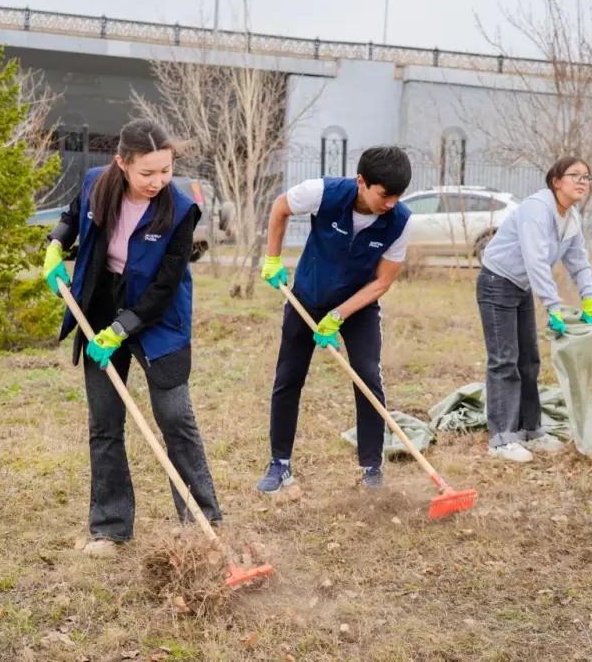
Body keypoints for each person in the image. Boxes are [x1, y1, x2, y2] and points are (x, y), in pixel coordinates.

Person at [42, 118, 222, 555]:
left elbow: (163, 288)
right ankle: (110, 527)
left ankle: (202, 522)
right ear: (121, 164)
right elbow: (71, 215)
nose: (158, 181)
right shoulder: (95, 183)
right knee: (104, 422)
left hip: (159, 316)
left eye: (166, 170)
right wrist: (55, 243)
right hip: (101, 301)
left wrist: (121, 331)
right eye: (147, 173)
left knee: (175, 417)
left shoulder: (180, 210)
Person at [255, 146, 414, 493]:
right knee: (288, 378)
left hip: (357, 307)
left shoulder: (400, 221)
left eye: (397, 196)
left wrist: (339, 315)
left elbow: (383, 282)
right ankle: (279, 463)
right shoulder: (323, 193)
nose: (390, 204)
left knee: (368, 378)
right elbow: (280, 207)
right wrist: (273, 258)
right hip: (307, 298)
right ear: (362, 182)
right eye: (384, 195)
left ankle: (372, 467)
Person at [476, 157, 592, 463]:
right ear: (556, 181)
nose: (582, 181)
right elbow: (535, 259)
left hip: (520, 287)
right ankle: (502, 439)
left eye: (587, 177)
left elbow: (578, 260)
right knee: (504, 360)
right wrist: (553, 307)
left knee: (529, 361)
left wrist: (590, 297)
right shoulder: (537, 208)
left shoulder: (571, 217)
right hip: (497, 282)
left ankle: (531, 431)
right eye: (575, 175)